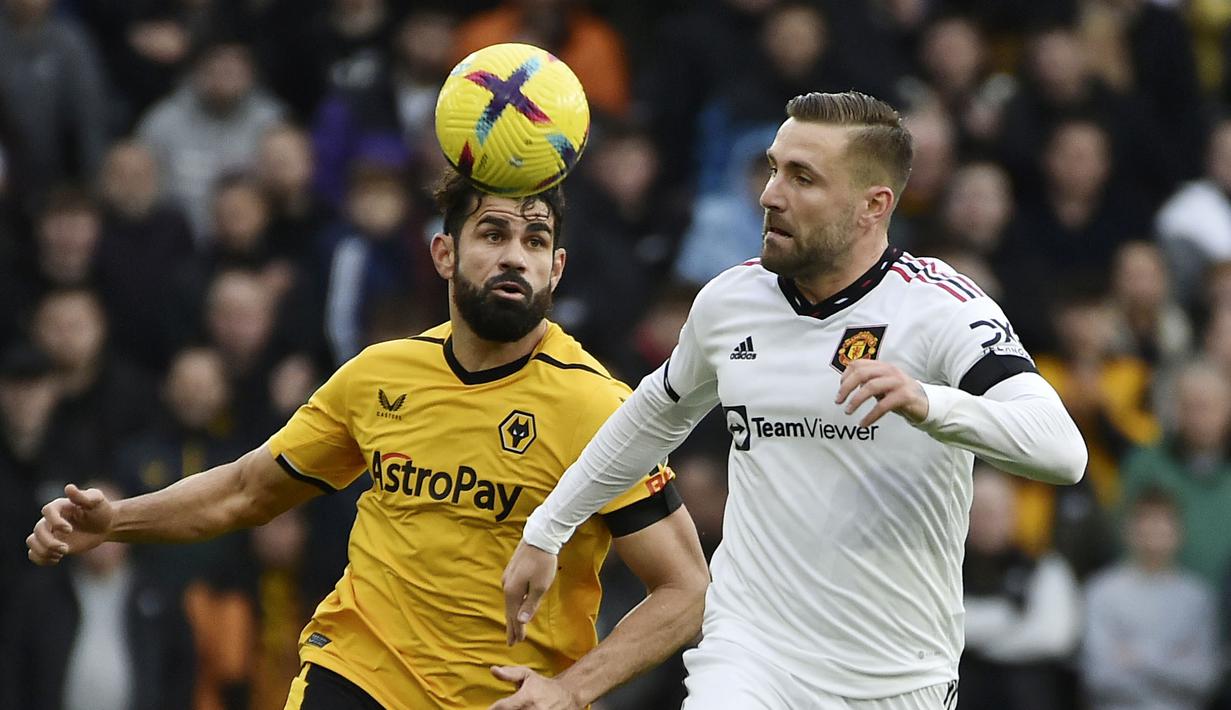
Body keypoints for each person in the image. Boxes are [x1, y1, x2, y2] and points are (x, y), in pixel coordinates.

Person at [26, 169, 710, 709]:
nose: (515, 256)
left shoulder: (597, 406)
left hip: (507, 698)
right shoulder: (379, 375)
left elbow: (684, 589)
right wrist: (116, 521)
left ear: (556, 270)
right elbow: (243, 491)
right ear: (444, 253)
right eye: (493, 233)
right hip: (358, 675)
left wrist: (572, 688)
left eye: (534, 241)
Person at [502, 91, 1087, 709]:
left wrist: (932, 404)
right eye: (774, 167)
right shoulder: (732, 302)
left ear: (873, 206)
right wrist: (547, 530)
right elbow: (651, 417)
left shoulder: (940, 308)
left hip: (897, 676)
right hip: (751, 655)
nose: (770, 194)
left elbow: (1060, 449)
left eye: (802, 178)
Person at [1082, 487, 1221, 710]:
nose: (1153, 534)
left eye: (1162, 525)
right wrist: (1173, 659)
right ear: (1128, 530)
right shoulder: (1101, 592)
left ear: (1179, 532)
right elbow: (1099, 676)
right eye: (1146, 524)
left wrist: (1137, 656)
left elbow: (1203, 678)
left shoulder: (1197, 597)